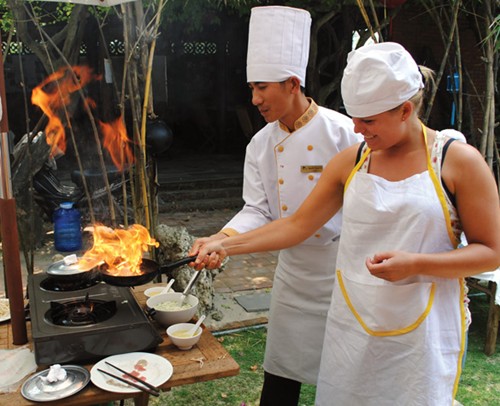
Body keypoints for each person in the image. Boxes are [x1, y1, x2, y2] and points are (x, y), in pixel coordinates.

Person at [192, 42, 500, 405]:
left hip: (423, 331)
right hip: (353, 321)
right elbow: (297, 225)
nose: (356, 128)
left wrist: (417, 264)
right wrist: (223, 243)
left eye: (368, 121)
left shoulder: (457, 162)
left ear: (405, 110)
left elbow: (491, 253)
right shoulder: (351, 161)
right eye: (354, 117)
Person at [190, 6, 360, 405]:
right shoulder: (260, 144)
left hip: (340, 276)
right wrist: (220, 237)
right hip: (293, 278)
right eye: (251, 88)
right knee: (280, 378)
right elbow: (258, 209)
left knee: (343, 375)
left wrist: (225, 244)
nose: (254, 99)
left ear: (293, 83)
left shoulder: (344, 133)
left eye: (261, 87)